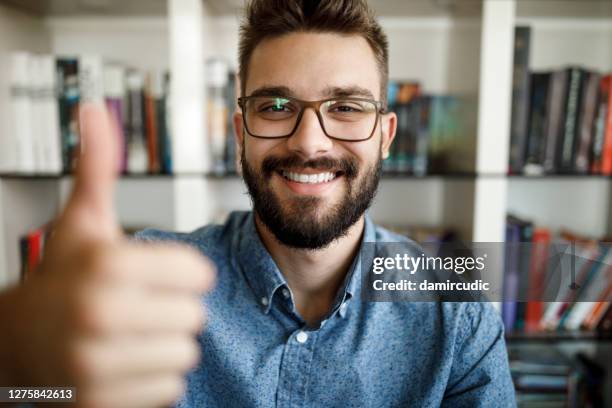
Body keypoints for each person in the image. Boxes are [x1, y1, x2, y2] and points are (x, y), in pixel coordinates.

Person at [0, 0, 516, 406]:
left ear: (386, 135)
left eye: (345, 107)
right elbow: (27, 396)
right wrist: (21, 364)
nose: (310, 143)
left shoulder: (458, 310)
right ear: (240, 132)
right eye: (274, 106)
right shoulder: (142, 282)